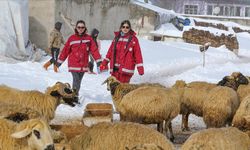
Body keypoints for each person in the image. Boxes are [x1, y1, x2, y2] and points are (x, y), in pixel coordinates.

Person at [55, 20, 102, 95]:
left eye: (82, 27)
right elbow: (65, 51)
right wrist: (59, 61)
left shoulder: (89, 38)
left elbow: (94, 50)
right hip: (74, 64)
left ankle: (74, 94)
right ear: (76, 28)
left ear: (85, 28)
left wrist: (98, 61)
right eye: (79, 27)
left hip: (83, 65)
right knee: (76, 80)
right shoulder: (72, 38)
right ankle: (74, 96)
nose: (80, 29)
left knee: (78, 82)